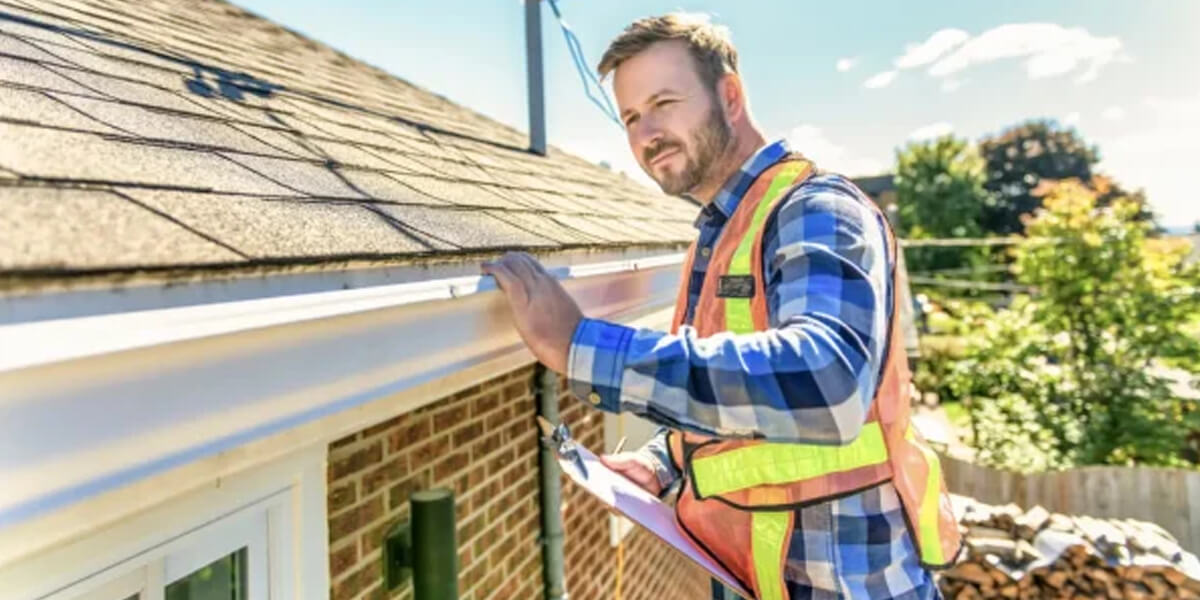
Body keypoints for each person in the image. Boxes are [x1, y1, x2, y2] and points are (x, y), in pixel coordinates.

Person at [482, 13, 960, 600]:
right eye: (631, 117)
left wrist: (579, 346)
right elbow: (747, 406)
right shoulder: (721, 235)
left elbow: (828, 384)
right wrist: (664, 460)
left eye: (663, 102)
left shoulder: (814, 209)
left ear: (729, 95)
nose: (645, 134)